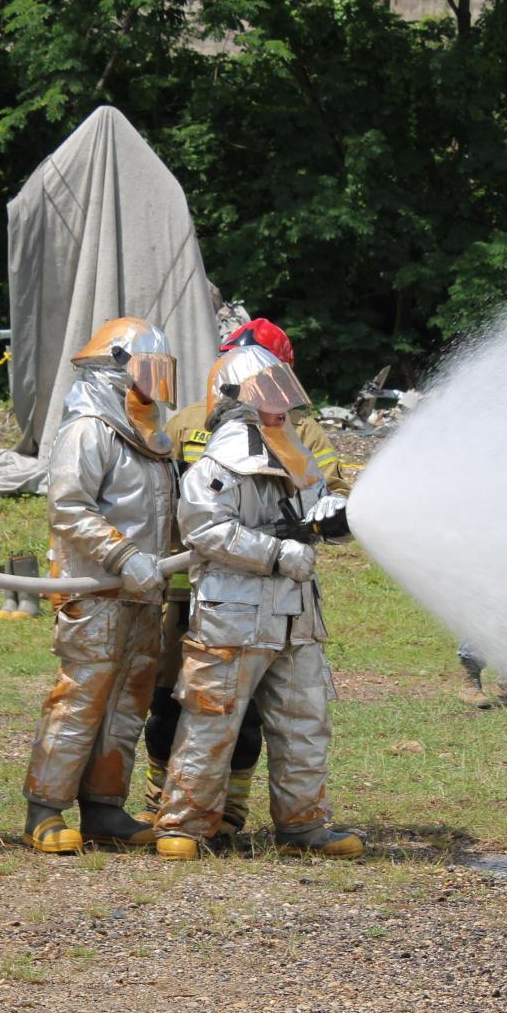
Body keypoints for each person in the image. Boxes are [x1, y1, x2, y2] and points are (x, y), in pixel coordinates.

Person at [152, 343, 362, 860]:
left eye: (281, 395)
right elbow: (204, 528)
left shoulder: (291, 446)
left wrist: (336, 517)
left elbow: (314, 504)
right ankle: (184, 824)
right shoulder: (221, 457)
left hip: (295, 615)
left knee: (304, 722)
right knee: (211, 719)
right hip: (234, 616)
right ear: (234, 398)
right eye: (266, 396)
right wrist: (275, 553)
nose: (279, 407)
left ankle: (304, 826)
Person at [22, 318, 177, 854]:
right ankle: (45, 809)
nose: (156, 381)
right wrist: (123, 554)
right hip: (95, 593)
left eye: (162, 370)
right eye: (147, 368)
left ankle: (104, 808)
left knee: (127, 703)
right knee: (81, 699)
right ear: (117, 367)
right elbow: (68, 506)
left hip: (142, 593)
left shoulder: (150, 431)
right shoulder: (89, 427)